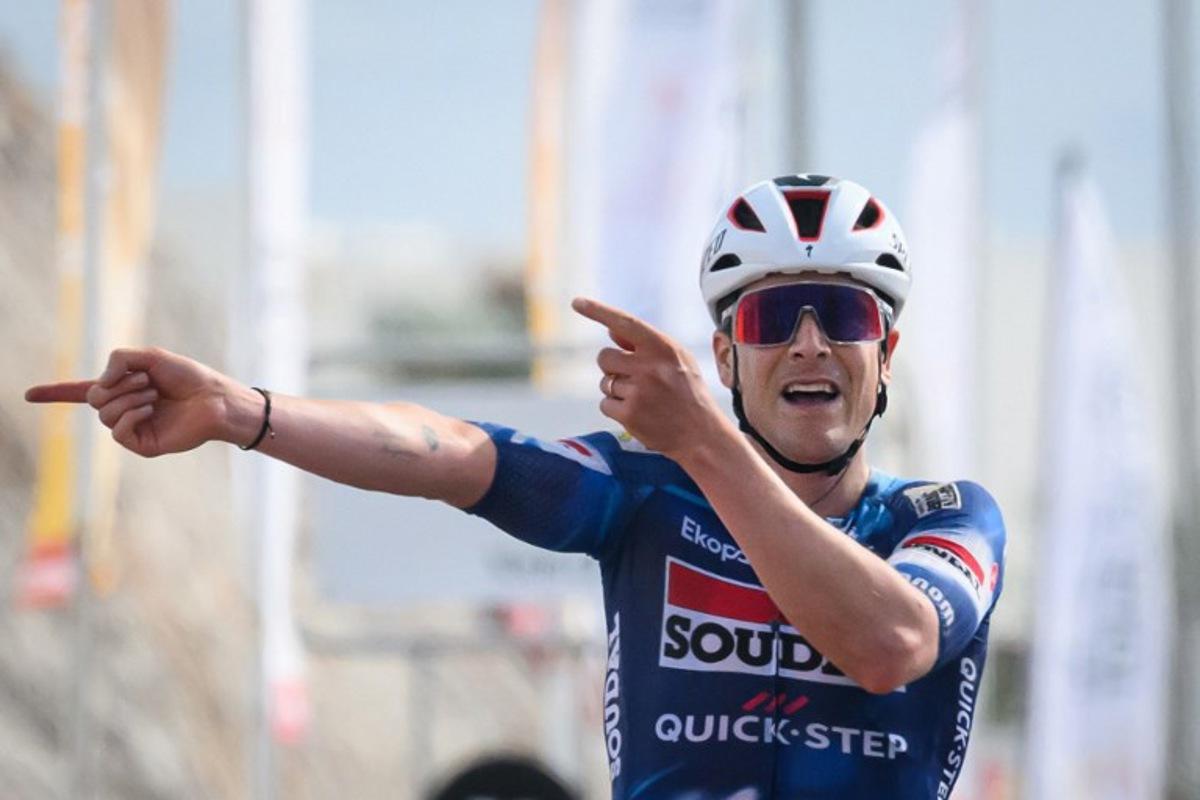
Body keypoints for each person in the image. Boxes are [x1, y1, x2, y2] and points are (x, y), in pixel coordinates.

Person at [26, 174, 1005, 799]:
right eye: (773, 316)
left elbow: (890, 642)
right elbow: (452, 449)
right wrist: (247, 411)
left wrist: (706, 438)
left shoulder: (945, 518)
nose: (807, 341)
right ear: (725, 351)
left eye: (840, 310)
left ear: (887, 350)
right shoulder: (649, 494)